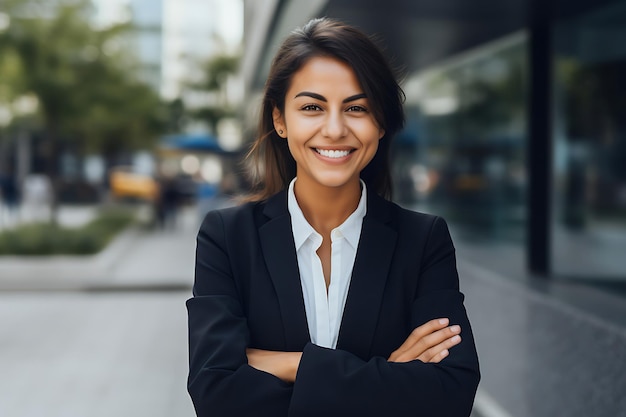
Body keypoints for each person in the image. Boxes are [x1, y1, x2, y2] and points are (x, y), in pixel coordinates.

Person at [186, 17, 480, 417]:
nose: (335, 129)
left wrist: (295, 365)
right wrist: (389, 376)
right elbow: (217, 395)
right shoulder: (227, 237)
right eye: (312, 107)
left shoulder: (423, 240)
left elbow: (451, 393)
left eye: (356, 108)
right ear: (279, 120)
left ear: (380, 123)